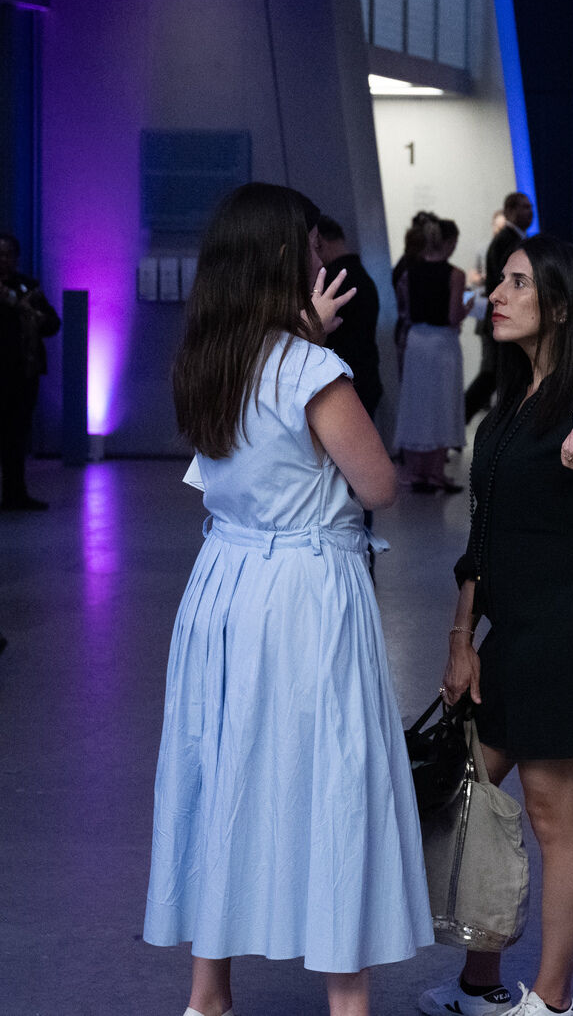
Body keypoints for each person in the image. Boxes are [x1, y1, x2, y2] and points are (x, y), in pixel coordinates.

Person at [147, 182, 427, 1016]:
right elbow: (378, 484)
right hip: (306, 590)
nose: (325, 258)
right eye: (313, 246)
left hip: (222, 585)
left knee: (222, 768)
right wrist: (311, 346)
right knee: (334, 774)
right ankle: (347, 1002)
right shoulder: (311, 367)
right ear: (283, 256)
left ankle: (208, 995)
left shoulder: (205, 355)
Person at [432, 233, 573, 1016]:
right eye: (499, 281)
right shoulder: (505, 406)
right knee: (468, 797)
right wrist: (462, 640)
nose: (496, 292)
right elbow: (481, 539)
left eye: (517, 283)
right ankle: (481, 983)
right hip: (512, 637)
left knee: (554, 815)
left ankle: (552, 1001)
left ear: (558, 305)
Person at [393, 216, 467, 493]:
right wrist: (467, 308)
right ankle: (436, 472)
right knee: (443, 403)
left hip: (417, 341)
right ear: (446, 242)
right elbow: (451, 316)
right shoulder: (455, 274)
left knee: (417, 403)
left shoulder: (409, 272)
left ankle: (415, 472)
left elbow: (406, 310)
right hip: (442, 343)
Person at [0, 232, 60, 511]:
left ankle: (15, 493)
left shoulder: (28, 288)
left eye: (8, 254)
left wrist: (32, 315)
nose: (4, 260)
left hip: (23, 373)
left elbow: (52, 324)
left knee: (17, 435)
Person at [467, 192, 533, 423]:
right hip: (502, 318)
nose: (530, 211)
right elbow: (502, 283)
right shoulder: (508, 240)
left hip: (501, 317)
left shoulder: (510, 239)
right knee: (494, 374)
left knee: (497, 375)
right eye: (525, 207)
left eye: (530, 207)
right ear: (511, 211)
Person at [313, 215, 383, 419]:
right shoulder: (361, 274)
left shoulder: (332, 281)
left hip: (348, 382)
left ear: (321, 242)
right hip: (366, 374)